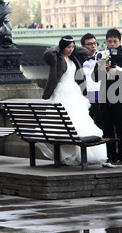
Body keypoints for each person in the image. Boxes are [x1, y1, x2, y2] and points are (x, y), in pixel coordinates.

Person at [38, 35, 107, 166]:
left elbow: (85, 52)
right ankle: (66, 154)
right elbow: (48, 53)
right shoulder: (56, 59)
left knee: (80, 122)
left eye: (72, 47)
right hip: (61, 91)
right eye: (68, 47)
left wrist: (71, 47)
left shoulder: (74, 57)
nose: (71, 49)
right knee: (64, 124)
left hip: (74, 91)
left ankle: (79, 154)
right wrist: (61, 46)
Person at [93, 28, 122, 168]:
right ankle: (110, 157)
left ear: (119, 41)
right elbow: (95, 78)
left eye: (114, 41)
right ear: (106, 42)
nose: (112, 44)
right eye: (109, 41)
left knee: (120, 128)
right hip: (104, 99)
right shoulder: (102, 57)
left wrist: (116, 72)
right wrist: (102, 68)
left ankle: (121, 159)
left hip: (120, 98)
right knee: (107, 130)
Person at [80, 33, 103, 129]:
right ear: (82, 47)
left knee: (102, 127)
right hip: (84, 99)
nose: (93, 46)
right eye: (89, 44)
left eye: (94, 43)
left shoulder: (102, 58)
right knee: (85, 128)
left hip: (100, 98)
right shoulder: (77, 61)